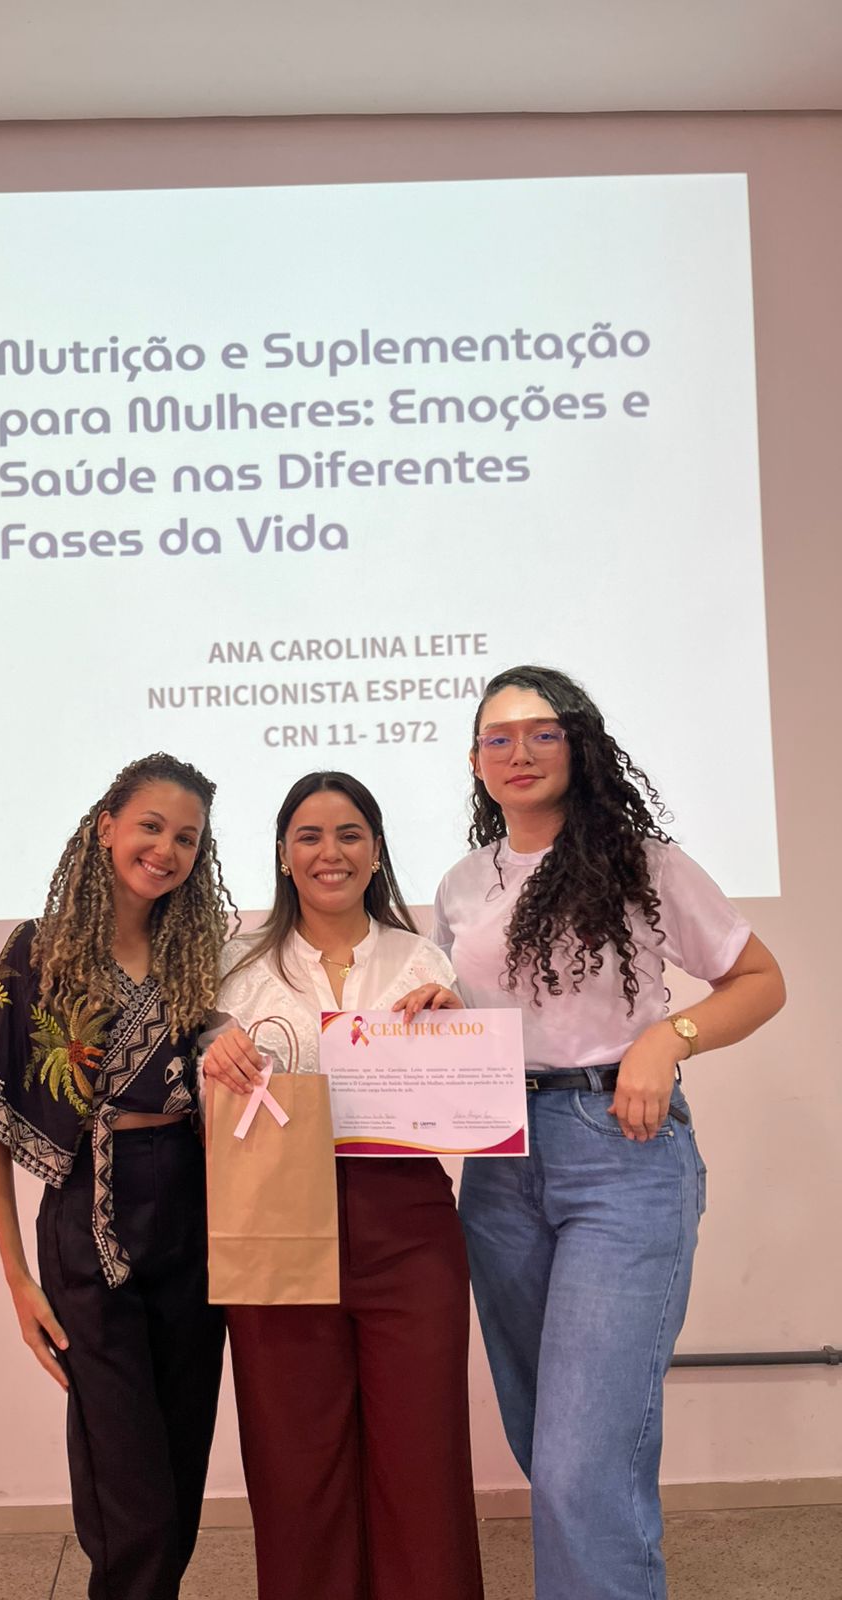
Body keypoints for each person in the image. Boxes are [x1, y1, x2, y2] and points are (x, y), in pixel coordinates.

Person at [409, 665, 785, 1600]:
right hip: (501, 1164)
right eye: (499, 738)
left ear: (578, 745)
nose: (520, 752)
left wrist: (669, 1037)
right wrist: (440, 1011)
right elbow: (491, 1010)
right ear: (475, 762)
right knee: (551, 1443)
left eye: (542, 732)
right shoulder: (461, 884)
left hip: (623, 1149)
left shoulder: (643, 863)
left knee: (584, 1460)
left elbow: (760, 981)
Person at [202, 771, 484, 1600]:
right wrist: (208, 1051)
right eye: (310, 836)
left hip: (407, 1221)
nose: (331, 852)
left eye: (350, 833)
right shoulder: (233, 967)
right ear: (283, 855)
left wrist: (454, 1031)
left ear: (377, 850)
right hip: (273, 1215)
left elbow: (464, 1103)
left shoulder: (423, 960)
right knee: (295, 1462)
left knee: (421, 1455)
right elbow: (198, 1097)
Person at [0, 753, 235, 1600]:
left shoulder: (198, 954)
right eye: (151, 826)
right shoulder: (38, 951)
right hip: (88, 1211)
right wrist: (16, 1277)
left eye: (187, 838)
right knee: (129, 1491)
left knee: (180, 1467)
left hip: (192, 1208)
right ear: (106, 827)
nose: (167, 849)